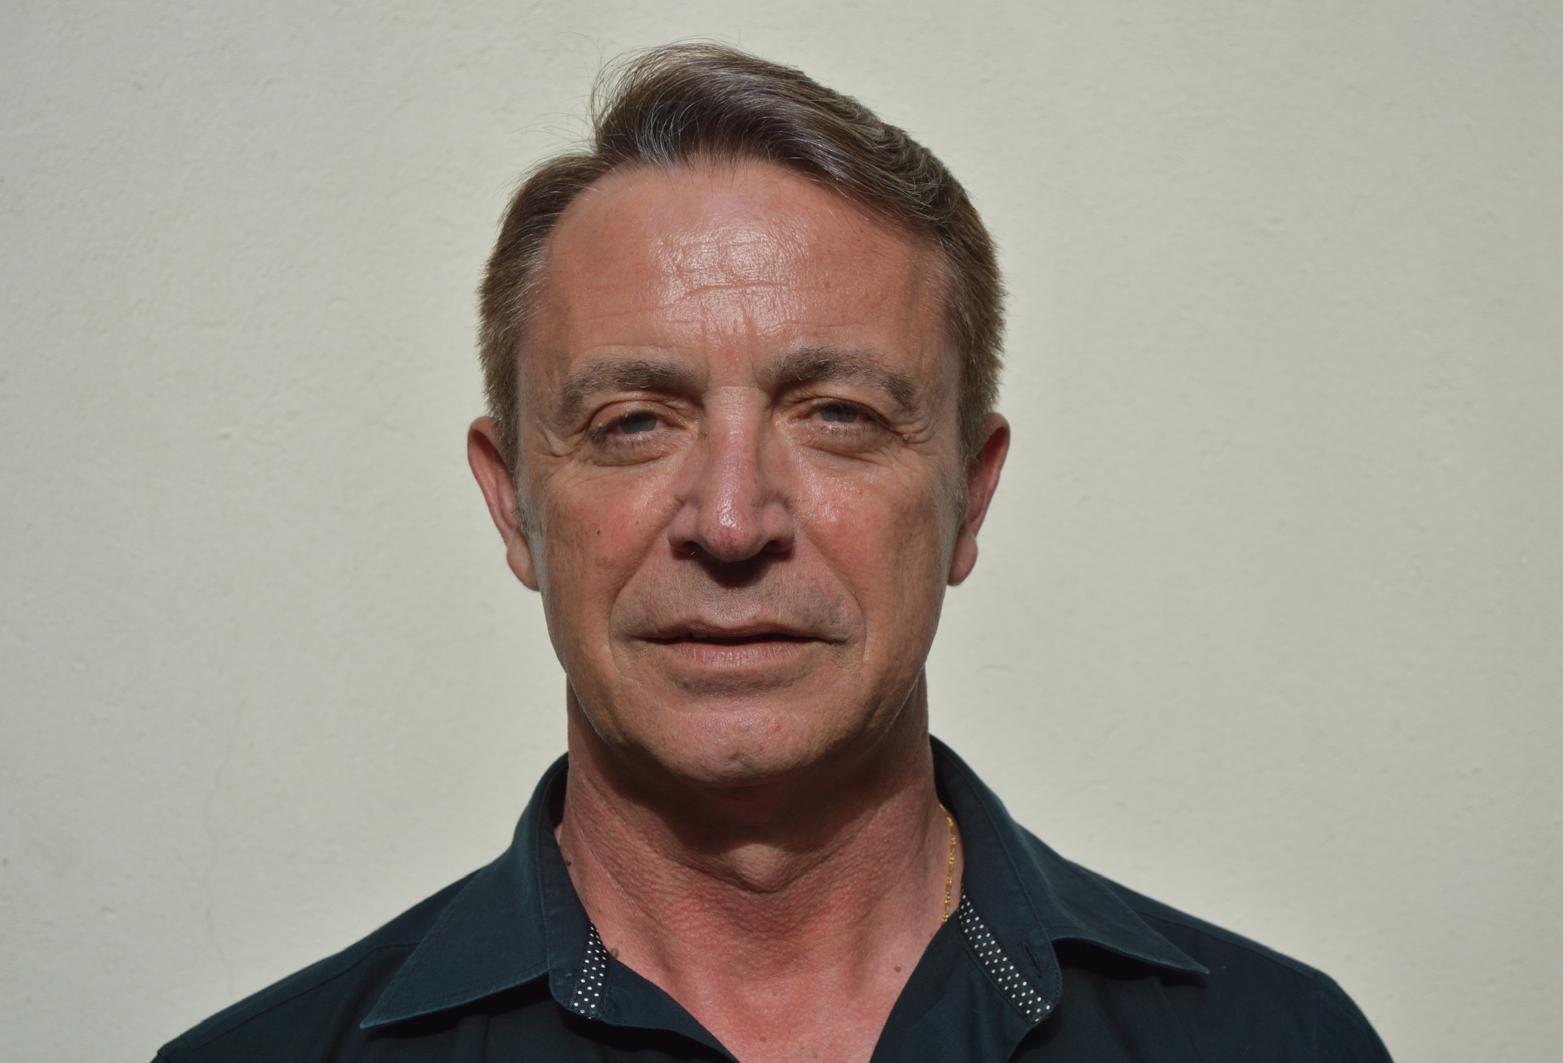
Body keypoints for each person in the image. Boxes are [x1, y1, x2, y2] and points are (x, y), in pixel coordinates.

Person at [156, 43, 1391, 1062]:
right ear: (512, 503)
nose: (732, 521)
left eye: (837, 415)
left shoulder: (1277, 1044)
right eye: (632, 422)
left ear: (967, 497)